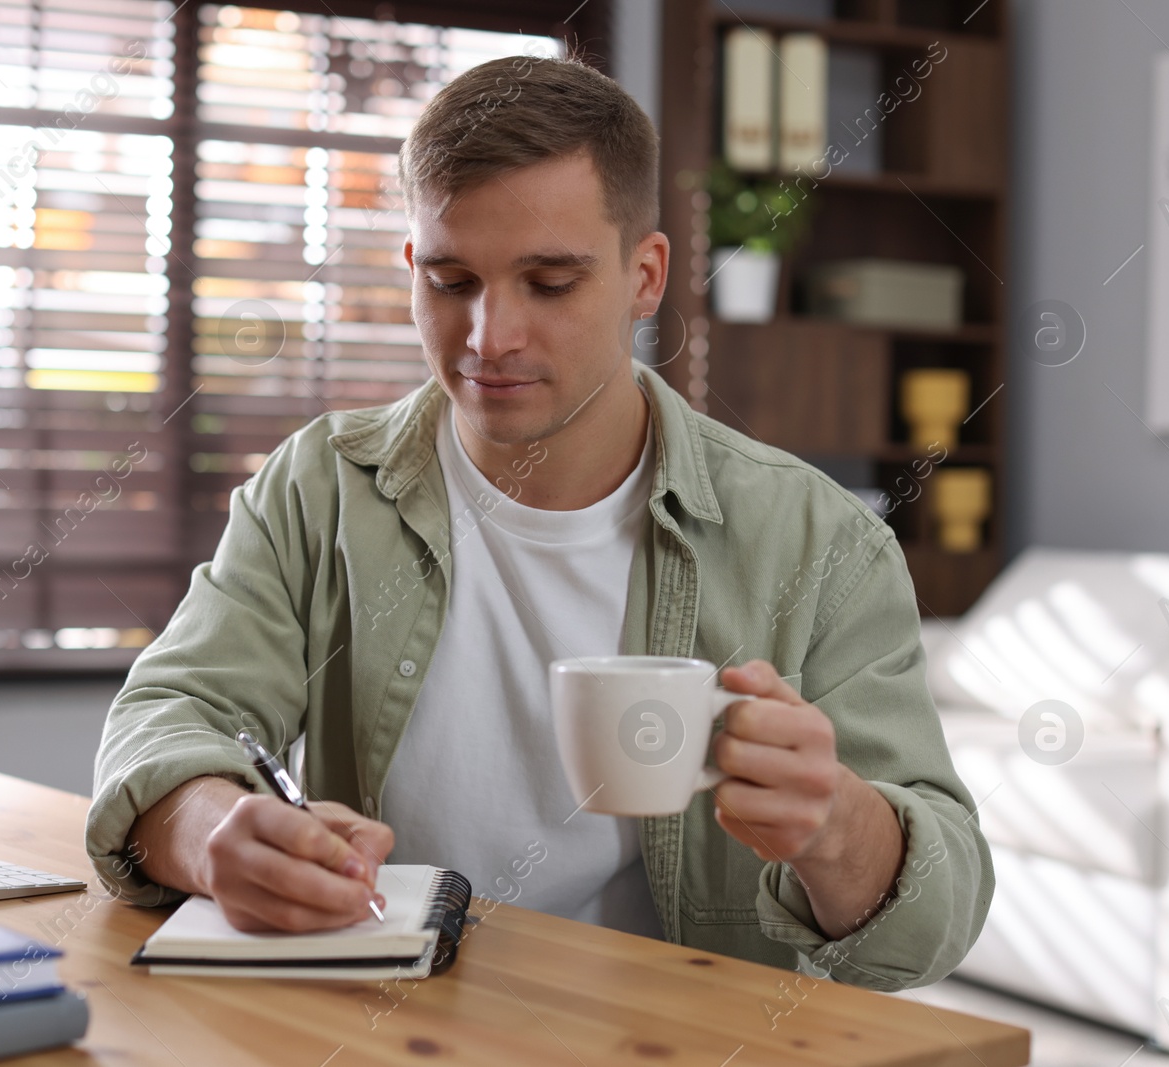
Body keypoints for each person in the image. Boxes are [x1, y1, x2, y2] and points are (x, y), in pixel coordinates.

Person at [85, 54, 991, 989]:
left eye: (549, 283)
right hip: (383, 1028)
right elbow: (169, 712)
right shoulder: (320, 486)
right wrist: (212, 834)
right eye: (450, 281)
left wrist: (835, 826)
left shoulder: (820, 542)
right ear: (410, 268)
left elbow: (939, 915)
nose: (489, 338)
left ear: (645, 278)